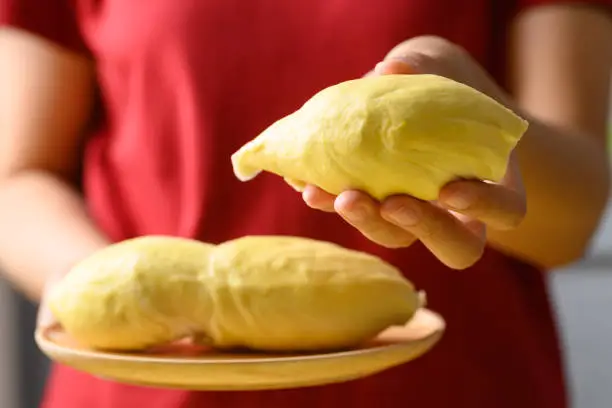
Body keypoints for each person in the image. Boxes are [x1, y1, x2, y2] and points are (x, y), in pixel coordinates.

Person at [0, 0, 611, 407]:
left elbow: (574, 220)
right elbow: (16, 178)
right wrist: (108, 288)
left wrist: (482, 123)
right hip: (143, 381)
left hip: (447, 386)